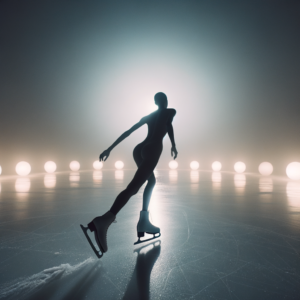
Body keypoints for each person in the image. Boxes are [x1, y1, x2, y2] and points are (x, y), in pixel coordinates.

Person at [80, 92, 178, 258]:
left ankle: (144, 221)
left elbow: (128, 132)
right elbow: (168, 125)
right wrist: (174, 145)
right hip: (153, 149)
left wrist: (109, 149)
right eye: (165, 100)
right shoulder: (170, 111)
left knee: (151, 181)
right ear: (164, 101)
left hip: (139, 149)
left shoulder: (149, 115)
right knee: (133, 188)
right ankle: (104, 220)